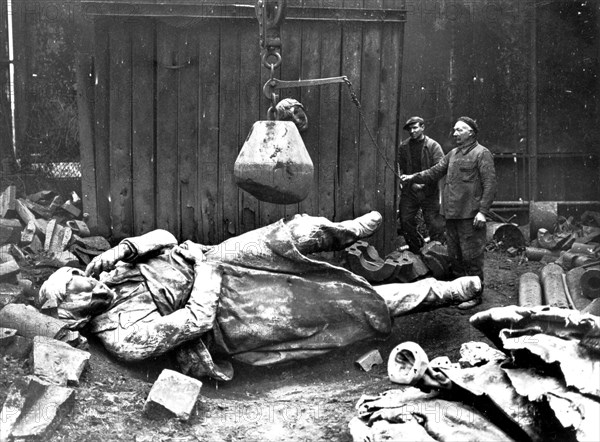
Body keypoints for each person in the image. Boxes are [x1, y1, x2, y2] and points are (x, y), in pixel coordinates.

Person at [38, 212, 481, 381]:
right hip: (230, 314)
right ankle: (441, 292)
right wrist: (208, 272)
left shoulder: (113, 268)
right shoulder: (119, 332)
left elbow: (166, 234)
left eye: (78, 273)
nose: (87, 280)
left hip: (209, 259)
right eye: (75, 287)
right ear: (69, 311)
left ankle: (341, 231)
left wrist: (127, 247)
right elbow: (194, 320)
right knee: (342, 304)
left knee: (283, 234)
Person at [399, 116, 496, 309]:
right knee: (455, 255)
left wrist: (483, 212)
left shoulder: (481, 154)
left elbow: (490, 184)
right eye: (454, 130)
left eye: (459, 130)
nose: (455, 133)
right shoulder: (452, 154)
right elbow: (434, 172)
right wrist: (412, 177)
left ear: (471, 132)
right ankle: (460, 292)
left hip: (470, 215)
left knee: (472, 257)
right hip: (451, 214)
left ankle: (476, 294)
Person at [396, 116, 445, 253]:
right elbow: (399, 167)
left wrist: (423, 184)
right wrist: (405, 182)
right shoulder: (404, 147)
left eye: (415, 127)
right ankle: (416, 250)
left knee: (435, 224)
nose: (412, 131)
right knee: (405, 221)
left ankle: (437, 254)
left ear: (422, 127)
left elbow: (439, 170)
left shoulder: (433, 146)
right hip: (410, 191)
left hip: (429, 191)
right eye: (410, 129)